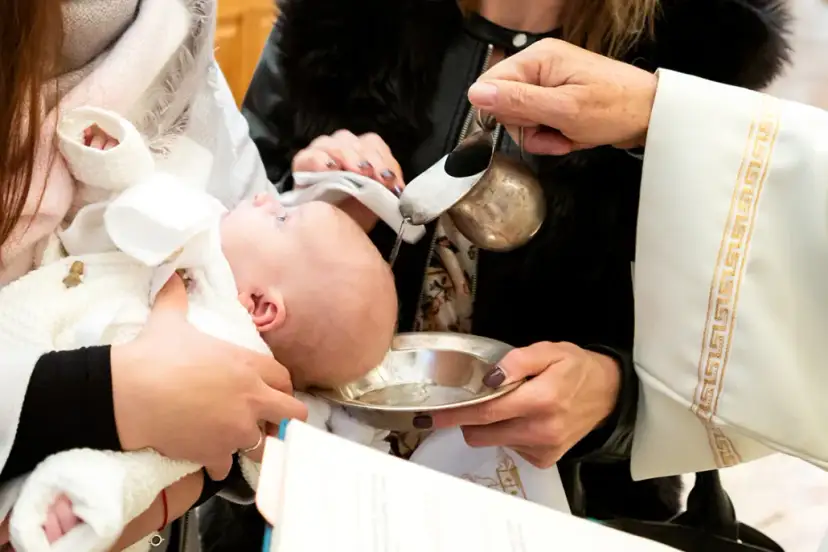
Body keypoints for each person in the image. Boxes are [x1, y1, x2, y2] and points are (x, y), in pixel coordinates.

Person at [201, 0, 791, 547]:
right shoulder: (337, 17)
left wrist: (617, 400)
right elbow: (210, 247)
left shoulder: (708, 46)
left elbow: (744, 342)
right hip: (307, 490)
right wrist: (309, 196)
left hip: (573, 502)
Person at [0, 0, 308, 550]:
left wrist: (191, 464)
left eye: (285, 217)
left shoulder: (176, 24)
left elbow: (225, 195)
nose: (272, 204)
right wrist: (112, 396)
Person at [457, 35, 828, 481]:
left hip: (570, 489)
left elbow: (748, 315)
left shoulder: (707, 42)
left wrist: (620, 398)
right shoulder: (368, 28)